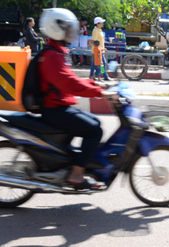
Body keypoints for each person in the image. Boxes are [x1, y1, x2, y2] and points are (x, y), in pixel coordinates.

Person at [38, 8, 115, 190]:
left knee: (94, 121)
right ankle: (76, 174)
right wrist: (99, 93)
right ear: (56, 29)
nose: (71, 32)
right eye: (67, 28)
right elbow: (69, 83)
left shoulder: (57, 51)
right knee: (94, 130)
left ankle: (75, 163)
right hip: (54, 109)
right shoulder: (52, 55)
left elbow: (71, 79)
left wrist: (97, 85)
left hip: (59, 105)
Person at [90, 16, 110, 81]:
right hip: (97, 51)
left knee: (99, 64)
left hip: (100, 50)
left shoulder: (99, 30)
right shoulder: (95, 31)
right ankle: (104, 76)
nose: (102, 24)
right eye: (101, 22)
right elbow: (93, 41)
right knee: (101, 64)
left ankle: (103, 75)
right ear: (98, 23)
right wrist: (100, 48)